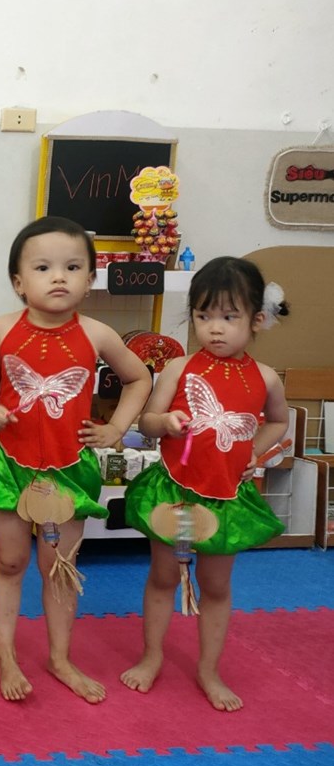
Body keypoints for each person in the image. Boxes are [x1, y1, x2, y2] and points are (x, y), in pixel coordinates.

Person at [0, 215, 152, 704]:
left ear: (89, 280)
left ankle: (60, 658)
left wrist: (116, 428)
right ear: (18, 282)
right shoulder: (3, 327)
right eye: (43, 267)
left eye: (72, 267)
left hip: (69, 469)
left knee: (59, 567)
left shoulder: (97, 334)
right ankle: (7, 656)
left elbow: (139, 378)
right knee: (10, 561)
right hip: (9, 465)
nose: (58, 277)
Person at [120, 256, 289, 712]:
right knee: (162, 576)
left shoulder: (265, 377)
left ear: (257, 320)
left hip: (226, 498)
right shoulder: (179, 368)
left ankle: (209, 669)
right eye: (203, 315)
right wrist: (165, 423)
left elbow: (278, 421)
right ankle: (152, 656)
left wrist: (254, 452)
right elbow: (147, 421)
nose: (214, 328)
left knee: (215, 584)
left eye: (229, 317)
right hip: (175, 492)